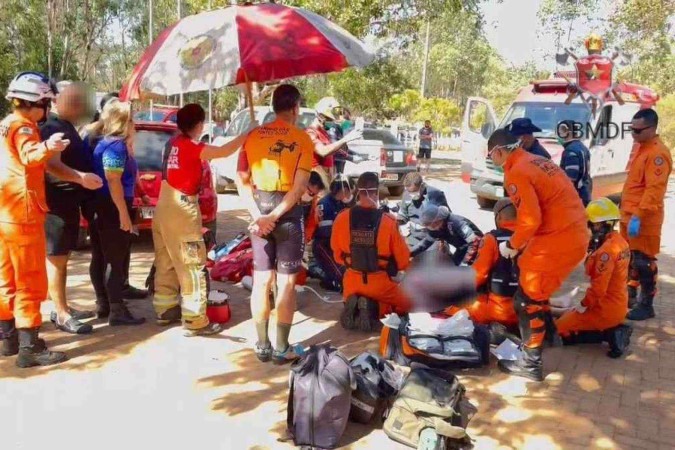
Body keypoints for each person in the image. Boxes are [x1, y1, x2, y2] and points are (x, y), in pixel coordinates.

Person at [487, 128, 589, 381]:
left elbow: (531, 219)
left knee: (526, 299)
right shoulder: (538, 160)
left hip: (557, 238)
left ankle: (531, 362)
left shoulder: (516, 172)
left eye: (491, 157)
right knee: (536, 287)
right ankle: (550, 335)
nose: (493, 162)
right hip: (572, 233)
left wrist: (512, 245)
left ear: (498, 151)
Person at [152, 103, 252, 335]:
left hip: (163, 205)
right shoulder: (191, 146)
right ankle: (196, 320)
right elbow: (224, 152)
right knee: (192, 264)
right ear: (198, 125)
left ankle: (165, 309)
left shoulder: (172, 143)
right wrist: (247, 134)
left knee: (166, 259)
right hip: (182, 208)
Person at [236, 84, 313, 364]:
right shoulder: (303, 139)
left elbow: (241, 180)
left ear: (273, 107)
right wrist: (275, 216)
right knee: (287, 283)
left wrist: (259, 215)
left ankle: (262, 345)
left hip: (259, 210)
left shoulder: (252, 136)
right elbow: (298, 189)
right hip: (287, 215)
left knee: (261, 281)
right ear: (295, 108)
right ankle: (282, 347)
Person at [0, 72, 71, 367]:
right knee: (30, 280)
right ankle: (30, 347)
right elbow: (30, 156)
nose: (47, 110)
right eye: (45, 103)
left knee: (6, 277)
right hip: (23, 213)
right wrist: (49, 147)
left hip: (5, 211)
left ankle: (8, 338)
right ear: (35, 103)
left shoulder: (5, 123)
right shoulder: (25, 127)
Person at [40, 81, 106, 335]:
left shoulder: (66, 125)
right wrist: (80, 177)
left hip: (67, 204)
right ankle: (61, 313)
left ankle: (62, 306)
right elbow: (51, 165)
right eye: (76, 101)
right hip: (54, 204)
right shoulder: (52, 127)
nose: (80, 107)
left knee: (63, 258)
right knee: (56, 259)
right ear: (59, 101)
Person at [556, 198, 632, 358]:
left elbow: (598, 289)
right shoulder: (620, 242)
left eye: (591, 224)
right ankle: (611, 329)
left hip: (604, 310)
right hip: (617, 305)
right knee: (568, 314)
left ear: (602, 225)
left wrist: (584, 305)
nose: (588, 227)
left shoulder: (606, 252)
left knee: (558, 329)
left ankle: (610, 335)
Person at [91, 101, 145, 326]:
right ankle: (116, 309)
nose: (135, 124)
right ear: (123, 122)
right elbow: (113, 181)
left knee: (101, 256)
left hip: (102, 205)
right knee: (115, 258)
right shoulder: (116, 146)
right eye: (132, 120)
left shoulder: (106, 143)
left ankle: (104, 303)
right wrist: (123, 214)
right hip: (113, 206)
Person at [331, 172, 412, 321]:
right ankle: (376, 308)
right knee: (409, 305)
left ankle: (356, 306)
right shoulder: (388, 221)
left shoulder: (341, 218)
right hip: (380, 284)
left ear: (357, 191)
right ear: (376, 192)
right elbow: (403, 261)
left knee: (355, 292)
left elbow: (337, 256)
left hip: (351, 283)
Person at [620, 108, 672, 321]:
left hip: (644, 219)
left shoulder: (657, 154)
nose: (633, 134)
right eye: (631, 130)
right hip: (629, 216)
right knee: (630, 258)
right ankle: (630, 294)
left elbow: (654, 190)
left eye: (638, 131)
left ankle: (647, 303)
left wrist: (638, 215)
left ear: (652, 128)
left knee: (644, 261)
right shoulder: (642, 148)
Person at [443, 198, 519, 340]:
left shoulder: (492, 240)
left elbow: (478, 276)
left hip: (502, 309)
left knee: (451, 309)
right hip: (532, 310)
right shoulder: (534, 238)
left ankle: (497, 330)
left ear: (499, 217)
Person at [306, 97, 362, 186]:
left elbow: (333, 150)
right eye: (328, 119)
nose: (331, 122)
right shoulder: (310, 132)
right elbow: (323, 151)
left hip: (327, 178)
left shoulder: (324, 132)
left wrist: (353, 156)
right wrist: (346, 139)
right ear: (320, 116)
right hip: (316, 181)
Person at [311, 176, 353, 292]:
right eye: (350, 190)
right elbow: (326, 232)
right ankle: (315, 270)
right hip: (324, 244)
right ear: (344, 188)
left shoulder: (341, 203)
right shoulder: (325, 203)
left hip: (337, 245)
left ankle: (326, 277)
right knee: (342, 277)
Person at [398, 172, 449, 259]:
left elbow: (446, 219)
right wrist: (396, 222)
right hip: (413, 238)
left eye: (414, 191)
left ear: (421, 186)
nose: (412, 194)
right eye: (409, 191)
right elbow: (403, 216)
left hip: (432, 238)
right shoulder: (406, 195)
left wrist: (442, 240)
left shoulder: (435, 194)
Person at [419, 204, 483, 266]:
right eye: (430, 227)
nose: (432, 228)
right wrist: (410, 253)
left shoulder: (455, 221)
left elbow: (475, 241)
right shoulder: (436, 229)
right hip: (462, 248)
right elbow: (424, 244)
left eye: (433, 225)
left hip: (479, 248)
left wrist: (465, 262)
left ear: (437, 220)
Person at [558, 120, 592, 206]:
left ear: (567, 132)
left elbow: (571, 178)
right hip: (585, 191)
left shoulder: (570, 151)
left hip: (576, 195)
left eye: (562, 130)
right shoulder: (583, 148)